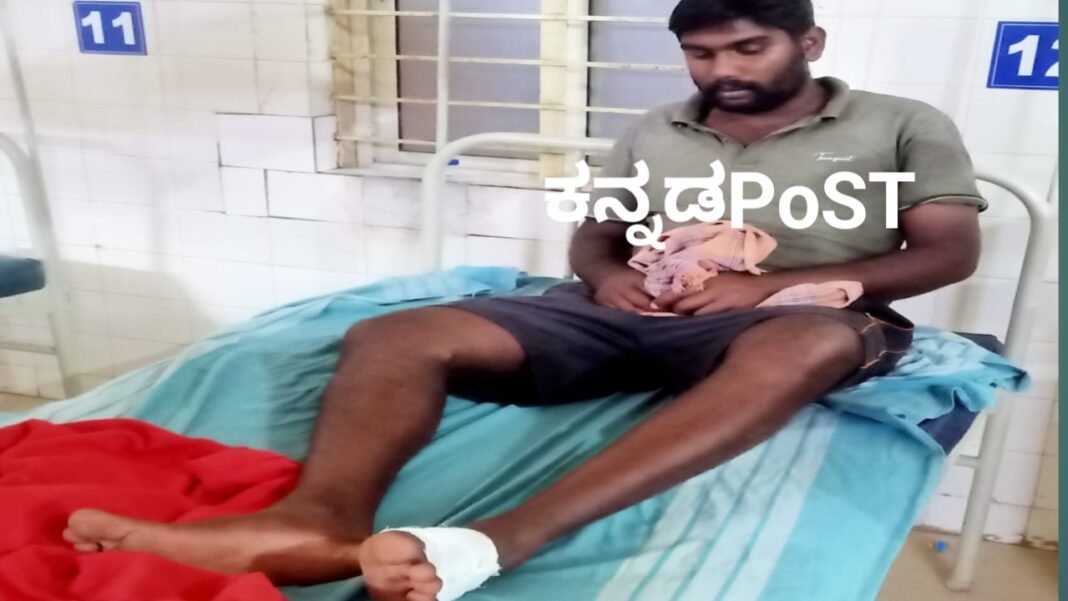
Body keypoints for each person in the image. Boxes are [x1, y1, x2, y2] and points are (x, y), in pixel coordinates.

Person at [63, 1, 986, 599]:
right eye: (701, 54)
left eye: (749, 47)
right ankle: (318, 519)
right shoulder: (655, 129)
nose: (722, 69)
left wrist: (767, 286)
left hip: (795, 313)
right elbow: (596, 236)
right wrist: (609, 276)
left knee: (807, 345)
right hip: (628, 309)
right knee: (401, 332)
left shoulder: (900, 123)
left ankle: (498, 539)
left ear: (809, 44)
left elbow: (949, 250)